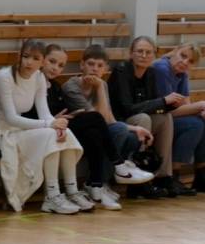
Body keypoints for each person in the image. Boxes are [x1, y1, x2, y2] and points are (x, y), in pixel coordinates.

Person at [40, 44, 153, 210]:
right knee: (100, 129)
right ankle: (113, 171)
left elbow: (109, 120)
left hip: (86, 128)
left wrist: (134, 129)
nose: (94, 69)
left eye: (100, 66)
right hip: (73, 129)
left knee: (126, 135)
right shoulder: (70, 86)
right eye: (91, 64)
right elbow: (98, 118)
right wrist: (99, 88)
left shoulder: (58, 85)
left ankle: (99, 184)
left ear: (106, 68)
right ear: (82, 65)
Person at [0, 39, 84, 214]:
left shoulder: (39, 78)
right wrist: (50, 124)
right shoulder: (4, 77)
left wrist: (57, 126)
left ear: (42, 61)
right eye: (26, 56)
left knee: (63, 133)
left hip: (19, 129)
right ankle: (51, 196)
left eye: (35, 58)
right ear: (19, 57)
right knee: (50, 135)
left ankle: (71, 190)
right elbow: (11, 118)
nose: (29, 62)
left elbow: (44, 113)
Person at [107, 36, 179, 198]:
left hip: (138, 119)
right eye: (139, 51)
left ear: (154, 55)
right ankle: (138, 182)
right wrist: (162, 101)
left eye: (148, 52)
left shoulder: (151, 73)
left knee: (165, 118)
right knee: (143, 118)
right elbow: (127, 109)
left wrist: (168, 105)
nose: (144, 55)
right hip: (119, 122)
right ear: (131, 53)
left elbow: (153, 104)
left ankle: (162, 176)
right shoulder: (121, 71)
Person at [152, 42, 205, 192]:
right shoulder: (162, 68)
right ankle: (172, 176)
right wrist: (201, 105)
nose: (185, 62)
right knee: (195, 124)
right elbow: (166, 110)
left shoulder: (182, 73)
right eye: (183, 56)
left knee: (201, 120)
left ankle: (201, 175)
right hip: (157, 118)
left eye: (190, 61)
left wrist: (200, 110)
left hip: (169, 117)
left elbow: (186, 105)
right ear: (175, 51)